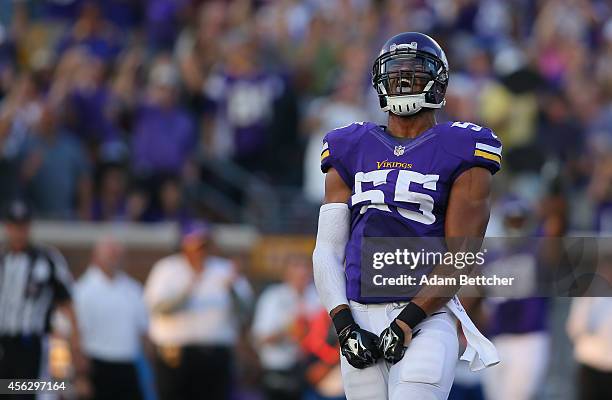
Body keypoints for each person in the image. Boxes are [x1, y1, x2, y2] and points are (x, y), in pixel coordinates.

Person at [312, 32, 502, 400]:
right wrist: (343, 323)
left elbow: (463, 253)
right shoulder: (349, 145)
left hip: (426, 316)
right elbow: (327, 250)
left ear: (437, 81)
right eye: (396, 71)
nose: (402, 80)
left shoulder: (461, 146)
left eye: (414, 72)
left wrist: (409, 320)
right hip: (358, 316)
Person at [144, 222, 253, 400]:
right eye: (196, 244)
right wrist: (189, 289)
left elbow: (245, 312)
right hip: (175, 356)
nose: (201, 250)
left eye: (204, 244)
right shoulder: (167, 269)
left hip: (214, 354)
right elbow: (158, 308)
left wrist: (231, 290)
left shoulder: (224, 269)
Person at [0, 200, 87, 399]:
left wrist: (76, 344)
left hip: (30, 344)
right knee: (4, 390)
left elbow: (67, 302)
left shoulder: (46, 259)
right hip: (4, 343)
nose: (18, 232)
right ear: (8, 227)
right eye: (14, 226)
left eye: (23, 226)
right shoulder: (3, 260)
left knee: (24, 391)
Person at [74, 237, 149, 400]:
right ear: (96, 257)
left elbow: (143, 331)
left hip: (128, 366)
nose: (115, 259)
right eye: (110, 255)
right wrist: (80, 375)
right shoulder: (82, 291)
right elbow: (72, 334)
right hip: (96, 365)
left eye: (118, 255)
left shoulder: (133, 289)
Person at [251, 255, 320, 400]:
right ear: (286, 274)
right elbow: (261, 338)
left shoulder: (318, 297)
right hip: (280, 368)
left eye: (305, 269)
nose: (302, 274)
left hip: (313, 369)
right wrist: (290, 329)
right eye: (297, 269)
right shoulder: (273, 297)